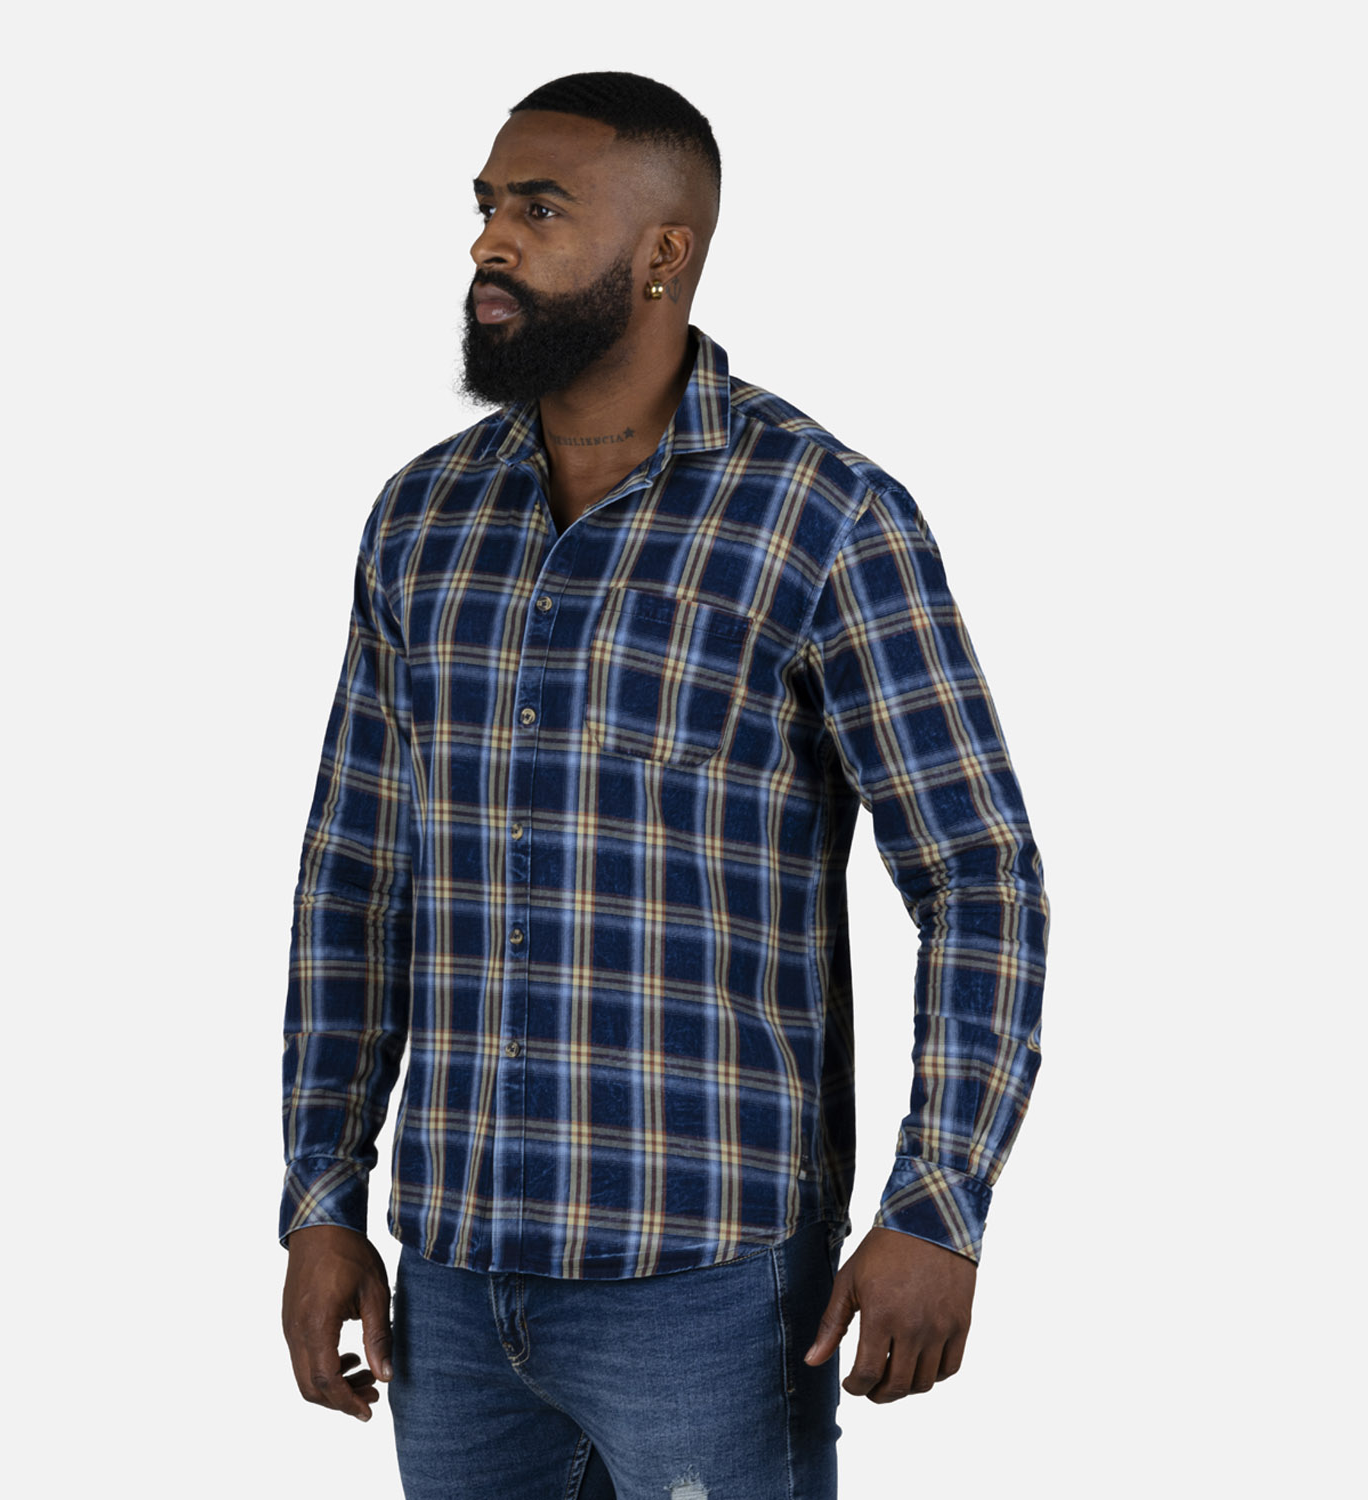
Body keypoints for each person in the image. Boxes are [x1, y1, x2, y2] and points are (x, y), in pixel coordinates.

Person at [279, 70, 1048, 1500]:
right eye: (487, 206)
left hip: (708, 1289)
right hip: (451, 1285)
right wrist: (323, 1200)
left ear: (662, 253)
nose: (489, 242)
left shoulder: (822, 516)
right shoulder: (422, 519)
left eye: (540, 210)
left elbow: (980, 877)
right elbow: (353, 883)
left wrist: (939, 1204)